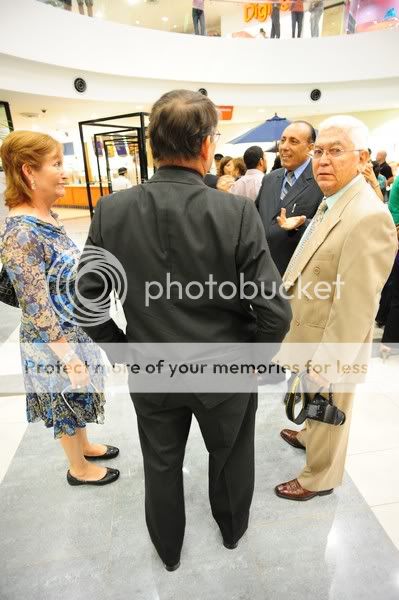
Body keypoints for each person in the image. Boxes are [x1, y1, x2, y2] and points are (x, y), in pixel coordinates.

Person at [75, 89, 291, 570]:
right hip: (226, 371)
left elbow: (86, 296)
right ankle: (232, 532)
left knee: (161, 464)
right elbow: (276, 312)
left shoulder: (111, 210)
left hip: (151, 368)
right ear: (206, 147)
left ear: (153, 147)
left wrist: (123, 352)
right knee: (231, 458)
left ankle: (168, 552)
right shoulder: (234, 212)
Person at [274, 115, 397, 501]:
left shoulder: (368, 215)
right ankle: (310, 435)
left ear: (361, 159)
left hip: (333, 338)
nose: (323, 160)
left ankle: (319, 478)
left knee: (330, 402)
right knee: (314, 402)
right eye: (319, 151)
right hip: (311, 326)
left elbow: (358, 306)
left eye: (336, 151)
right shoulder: (335, 201)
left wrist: (329, 362)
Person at [0, 131, 119, 487]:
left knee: (78, 391)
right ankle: (77, 468)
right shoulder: (21, 233)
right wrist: (67, 355)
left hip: (73, 327)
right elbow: (37, 306)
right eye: (56, 164)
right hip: (52, 340)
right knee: (64, 396)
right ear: (28, 172)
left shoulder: (47, 216)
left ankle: (83, 446)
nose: (64, 172)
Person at [256, 121, 323, 275]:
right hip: (262, 272)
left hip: (297, 275)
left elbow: (328, 224)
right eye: (283, 140)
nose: (284, 147)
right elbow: (258, 214)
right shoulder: (270, 178)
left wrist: (303, 224)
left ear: (310, 148)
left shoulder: (320, 180)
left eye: (293, 141)